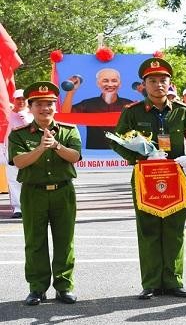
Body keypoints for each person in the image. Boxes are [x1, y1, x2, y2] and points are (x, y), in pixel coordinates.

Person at [110, 57, 186, 299]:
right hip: (145, 177)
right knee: (148, 230)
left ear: (170, 84)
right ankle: (151, 283)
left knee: (174, 230)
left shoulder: (182, 112)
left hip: (175, 176)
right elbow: (117, 141)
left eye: (163, 80)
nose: (158, 85)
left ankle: (174, 281)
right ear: (144, 85)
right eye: (152, 81)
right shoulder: (133, 112)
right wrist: (138, 159)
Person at [8, 81, 82, 305]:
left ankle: (64, 286)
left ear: (55, 106)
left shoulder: (69, 131)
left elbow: (75, 156)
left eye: (49, 104)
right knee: (35, 242)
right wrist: (40, 147)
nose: (45, 108)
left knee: (64, 241)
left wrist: (56, 146)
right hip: (33, 193)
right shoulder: (19, 134)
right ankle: (37, 288)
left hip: (63, 192)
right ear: (30, 108)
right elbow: (19, 162)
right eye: (39, 104)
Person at [61, 68, 133, 149]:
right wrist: (71, 91)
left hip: (123, 155)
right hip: (94, 156)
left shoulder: (129, 105)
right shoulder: (88, 104)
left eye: (114, 81)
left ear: (119, 84)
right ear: (98, 84)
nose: (110, 84)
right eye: (105, 81)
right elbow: (65, 116)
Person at [4, 89, 33, 218]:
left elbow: (35, 130)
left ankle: (32, 205)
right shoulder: (7, 114)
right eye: (18, 99)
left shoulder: (32, 114)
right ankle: (17, 208)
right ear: (13, 100)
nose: (21, 101)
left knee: (31, 179)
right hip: (11, 151)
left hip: (30, 151)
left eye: (23, 99)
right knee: (13, 179)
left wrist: (26, 118)